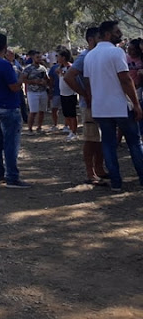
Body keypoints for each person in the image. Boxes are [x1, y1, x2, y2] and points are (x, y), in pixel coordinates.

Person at [84, 20, 143, 193]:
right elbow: (125, 79)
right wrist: (137, 105)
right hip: (120, 105)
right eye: (117, 31)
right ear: (108, 34)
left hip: (101, 107)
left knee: (108, 144)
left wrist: (92, 102)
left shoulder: (90, 55)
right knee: (134, 142)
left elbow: (88, 83)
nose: (120, 34)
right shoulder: (116, 52)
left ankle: (116, 182)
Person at [0, 33, 31, 188]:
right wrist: (22, 78)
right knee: (11, 143)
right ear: (5, 47)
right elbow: (13, 87)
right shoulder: (5, 65)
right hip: (8, 107)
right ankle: (12, 177)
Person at [64, 27, 109, 185]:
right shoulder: (84, 57)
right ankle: (90, 173)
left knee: (100, 139)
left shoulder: (96, 56)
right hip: (89, 105)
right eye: (99, 37)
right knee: (91, 139)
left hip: (100, 103)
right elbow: (69, 77)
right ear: (91, 39)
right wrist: (84, 94)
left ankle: (100, 169)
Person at [23, 51, 49, 134]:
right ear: (33, 58)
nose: (39, 59)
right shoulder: (28, 68)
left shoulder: (43, 68)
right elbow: (23, 79)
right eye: (37, 57)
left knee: (42, 111)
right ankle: (30, 129)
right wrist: (33, 81)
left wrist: (45, 82)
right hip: (32, 92)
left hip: (42, 91)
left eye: (40, 57)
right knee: (33, 111)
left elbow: (47, 78)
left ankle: (39, 127)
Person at [57, 49, 79, 141]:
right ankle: (71, 130)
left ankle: (74, 132)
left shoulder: (70, 67)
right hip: (63, 94)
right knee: (66, 114)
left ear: (63, 57)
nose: (57, 58)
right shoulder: (60, 68)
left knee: (72, 114)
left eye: (58, 56)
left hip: (71, 94)